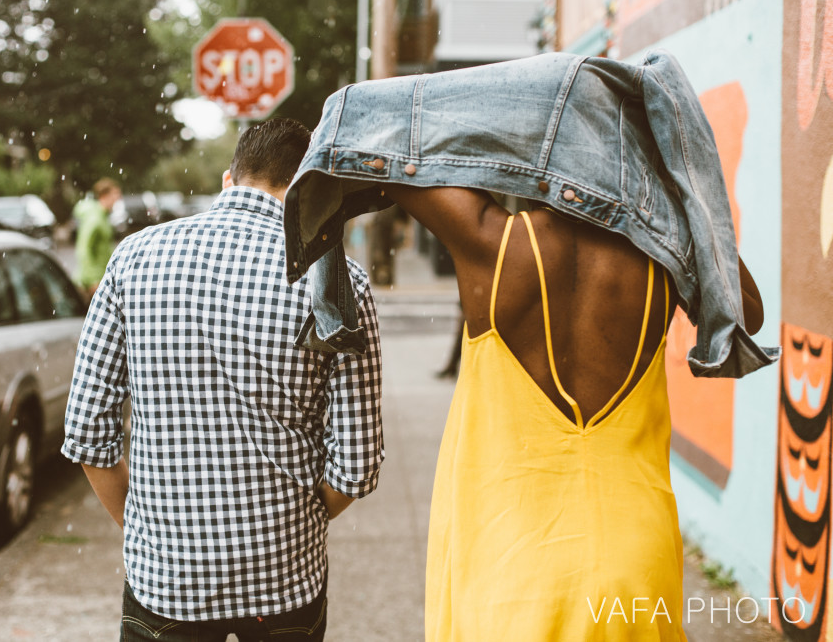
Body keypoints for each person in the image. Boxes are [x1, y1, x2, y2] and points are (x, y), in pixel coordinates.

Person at [279, 50, 776, 640]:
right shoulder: (663, 263)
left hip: (512, 557)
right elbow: (744, 307)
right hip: (634, 552)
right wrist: (668, 185)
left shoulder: (491, 241)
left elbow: (377, 144)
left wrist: (511, 116)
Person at [61, 117, 384, 642]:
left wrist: (146, 530)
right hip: (285, 583)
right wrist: (288, 527)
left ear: (229, 180)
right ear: (308, 187)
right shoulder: (338, 282)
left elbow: (88, 435)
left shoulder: (134, 259)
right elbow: (357, 467)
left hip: (165, 584)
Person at [72, 176, 121, 297]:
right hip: (93, 282)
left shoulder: (103, 216)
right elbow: (83, 249)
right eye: (115, 195)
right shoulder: (95, 218)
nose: (117, 199)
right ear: (105, 196)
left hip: (102, 277)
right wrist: (93, 280)